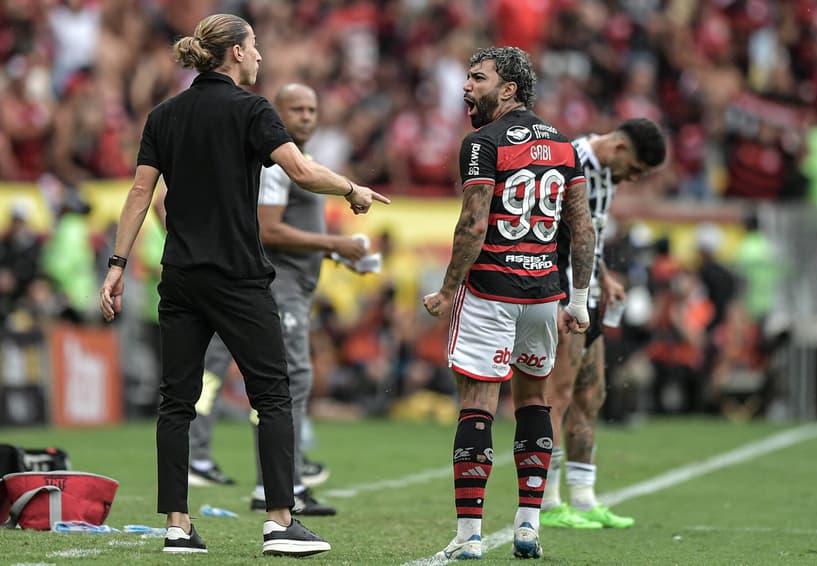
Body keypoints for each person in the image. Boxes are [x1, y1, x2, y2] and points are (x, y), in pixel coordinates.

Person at [98, 14, 389, 557]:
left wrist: (116, 264)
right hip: (238, 277)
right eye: (254, 47)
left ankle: (177, 528)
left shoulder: (164, 114)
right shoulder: (253, 110)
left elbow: (141, 195)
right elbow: (300, 171)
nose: (259, 57)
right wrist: (353, 189)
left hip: (181, 278)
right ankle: (280, 523)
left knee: (175, 404)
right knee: (274, 395)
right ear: (234, 52)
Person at [422, 46, 595, 560]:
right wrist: (580, 301)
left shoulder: (482, 143)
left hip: (489, 291)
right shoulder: (565, 146)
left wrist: (449, 287)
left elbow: (473, 225)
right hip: (545, 294)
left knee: (478, 405)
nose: (466, 86)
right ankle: (527, 527)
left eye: (477, 78)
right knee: (534, 402)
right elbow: (581, 229)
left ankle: (470, 536)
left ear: (509, 89)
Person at [187, 83, 368, 517]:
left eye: (312, 109)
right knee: (284, 381)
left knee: (284, 382)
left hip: (293, 285)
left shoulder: (299, 162)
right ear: (277, 114)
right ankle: (277, 482)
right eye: (296, 109)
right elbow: (269, 229)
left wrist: (334, 253)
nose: (306, 116)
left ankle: (280, 478)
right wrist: (335, 243)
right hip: (277, 285)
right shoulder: (275, 164)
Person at [540, 118, 667, 529]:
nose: (633, 178)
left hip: (590, 293)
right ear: (618, 148)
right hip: (563, 295)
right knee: (556, 396)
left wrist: (605, 277)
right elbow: (552, 234)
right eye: (635, 169)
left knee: (591, 395)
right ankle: (546, 501)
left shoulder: (608, 175)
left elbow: (589, 235)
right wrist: (560, 294)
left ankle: (583, 499)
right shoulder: (568, 162)